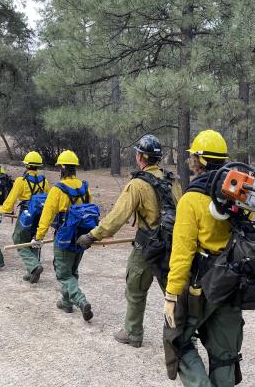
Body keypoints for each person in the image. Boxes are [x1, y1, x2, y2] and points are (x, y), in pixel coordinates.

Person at [77, 134, 182, 347]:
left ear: (141, 157)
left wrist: (91, 236)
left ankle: (133, 333)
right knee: (173, 293)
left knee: (135, 289)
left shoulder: (137, 185)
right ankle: (181, 338)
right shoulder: (173, 181)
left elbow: (117, 217)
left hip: (146, 246)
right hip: (171, 246)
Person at [161, 129, 246, 386]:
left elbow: (182, 252)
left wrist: (171, 295)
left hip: (202, 285)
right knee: (225, 354)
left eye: (193, 158)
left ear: (199, 160)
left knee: (178, 339)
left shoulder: (191, 199)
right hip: (233, 282)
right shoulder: (239, 194)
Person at [36, 150, 93, 320]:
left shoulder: (58, 189)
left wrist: (39, 236)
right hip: (81, 236)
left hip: (64, 236)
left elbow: (47, 214)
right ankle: (66, 302)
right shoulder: (84, 187)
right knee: (73, 269)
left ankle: (81, 300)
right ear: (75, 168)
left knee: (63, 272)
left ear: (62, 167)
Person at [0, 151, 50, 283]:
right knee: (34, 241)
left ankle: (34, 266)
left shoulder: (21, 181)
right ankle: (31, 272)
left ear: (26, 165)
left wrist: (2, 210)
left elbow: (11, 199)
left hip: (26, 214)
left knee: (19, 239)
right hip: (40, 215)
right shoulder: (44, 181)